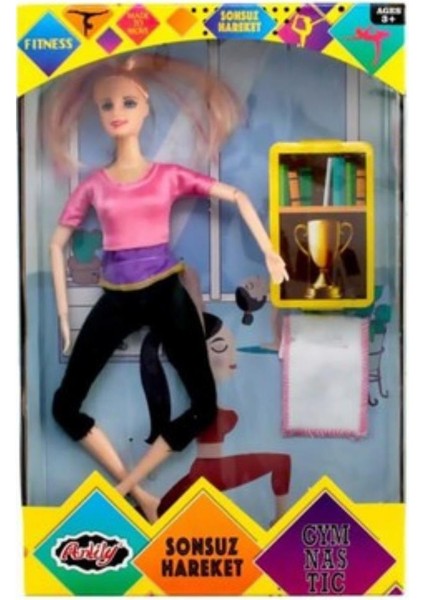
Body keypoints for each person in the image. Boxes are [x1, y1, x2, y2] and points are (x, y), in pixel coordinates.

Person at [44, 53, 288, 523]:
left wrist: (270, 252)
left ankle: (127, 491)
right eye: (106, 104)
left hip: (165, 292)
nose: (116, 112)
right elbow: (56, 244)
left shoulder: (168, 176)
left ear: (145, 106)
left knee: (204, 405)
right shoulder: (95, 186)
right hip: (116, 296)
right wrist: (63, 318)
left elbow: (236, 195)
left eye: (128, 102)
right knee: (64, 406)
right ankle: (142, 495)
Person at [140, 311, 291, 524]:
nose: (233, 358)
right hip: (210, 470)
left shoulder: (208, 404)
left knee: (281, 461)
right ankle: (282, 519)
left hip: (212, 468)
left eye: (232, 347)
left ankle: (281, 519)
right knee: (160, 510)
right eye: (220, 347)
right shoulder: (202, 409)